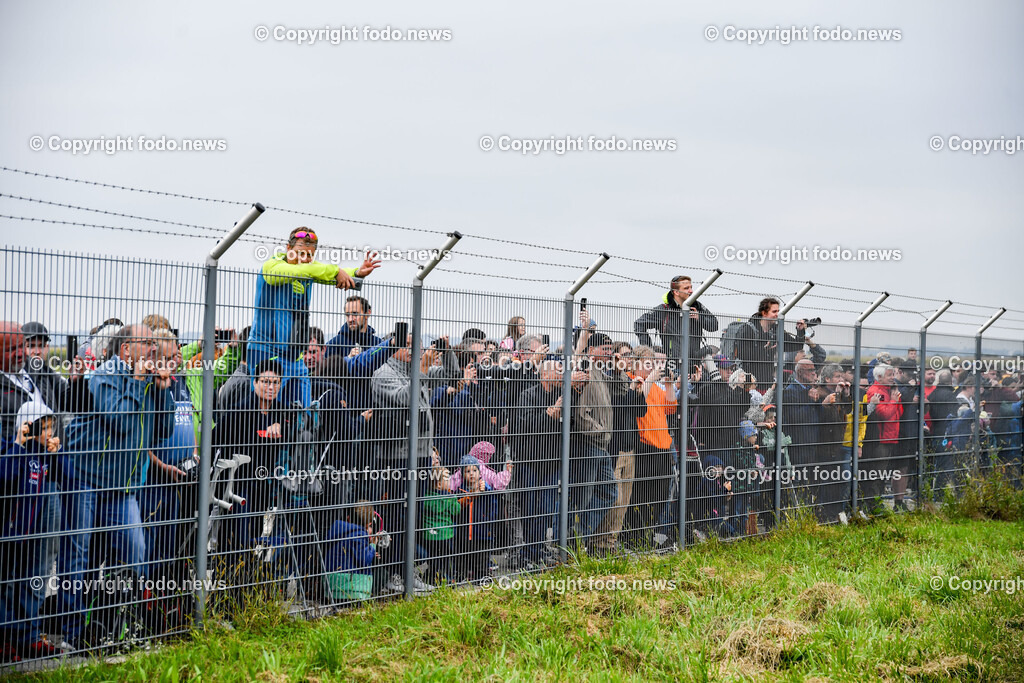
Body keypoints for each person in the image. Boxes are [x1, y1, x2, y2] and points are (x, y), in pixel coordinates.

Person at [59, 324, 174, 648]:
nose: (154, 349)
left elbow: (162, 431)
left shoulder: (150, 380)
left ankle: (118, 625)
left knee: (135, 552)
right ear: (126, 350)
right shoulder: (105, 375)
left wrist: (162, 389)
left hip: (122, 487)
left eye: (155, 343)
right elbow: (121, 423)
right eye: (147, 343)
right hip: (85, 476)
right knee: (78, 556)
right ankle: (73, 633)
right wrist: (138, 383)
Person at [247, 228, 380, 409]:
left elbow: (326, 275)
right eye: (299, 253)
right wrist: (335, 270)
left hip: (294, 356)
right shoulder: (272, 266)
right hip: (267, 351)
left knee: (303, 411)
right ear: (288, 248)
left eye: (309, 255)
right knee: (266, 411)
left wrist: (356, 272)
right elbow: (313, 271)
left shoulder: (310, 272)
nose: (304, 259)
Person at [371, 332, 459, 594]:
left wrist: (448, 350)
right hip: (395, 457)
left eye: (418, 347)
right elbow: (404, 399)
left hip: (420, 455)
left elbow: (452, 376)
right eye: (409, 346)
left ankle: (407, 573)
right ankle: (394, 575)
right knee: (397, 516)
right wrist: (421, 370)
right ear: (395, 347)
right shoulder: (383, 373)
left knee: (414, 515)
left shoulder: (417, 369)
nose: (414, 351)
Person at [1, 401, 67, 659]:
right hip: (12, 534)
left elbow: (68, 477)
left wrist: (57, 453)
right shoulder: (14, 450)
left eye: (52, 427)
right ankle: (5, 638)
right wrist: (19, 444)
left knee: (34, 579)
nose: (49, 433)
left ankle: (28, 636)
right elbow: (4, 475)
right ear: (28, 428)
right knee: (7, 583)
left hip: (36, 535)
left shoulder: (45, 458)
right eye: (44, 428)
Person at [634, 275, 718, 363]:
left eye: (691, 287)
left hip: (693, 362)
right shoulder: (664, 309)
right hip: (672, 364)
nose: (691, 291)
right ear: (676, 292)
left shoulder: (697, 306)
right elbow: (639, 324)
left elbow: (714, 326)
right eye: (686, 288)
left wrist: (699, 317)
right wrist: (648, 351)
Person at [735, 297, 808, 392]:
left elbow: (795, 346)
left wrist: (800, 331)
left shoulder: (776, 330)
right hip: (749, 384)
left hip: (767, 384)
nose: (777, 315)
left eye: (778, 311)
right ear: (764, 313)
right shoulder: (748, 329)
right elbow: (743, 355)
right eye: (774, 312)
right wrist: (764, 350)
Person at [453, 455, 500, 581]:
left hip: (482, 532)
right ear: (462, 474)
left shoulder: (486, 490)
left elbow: (493, 507)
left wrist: (489, 522)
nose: (472, 474)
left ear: (480, 472)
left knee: (482, 556)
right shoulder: (460, 490)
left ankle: (482, 576)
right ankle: (460, 575)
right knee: (462, 556)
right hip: (463, 533)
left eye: (474, 470)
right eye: (468, 471)